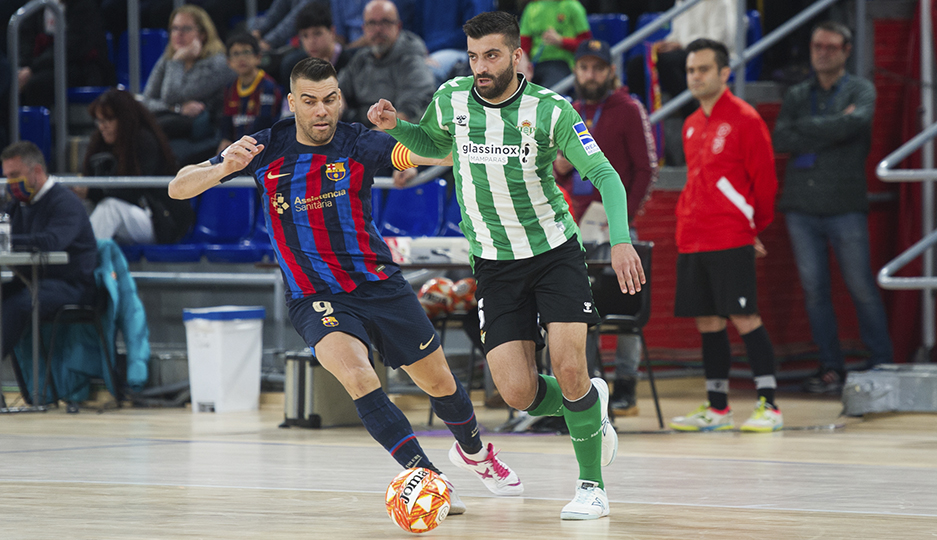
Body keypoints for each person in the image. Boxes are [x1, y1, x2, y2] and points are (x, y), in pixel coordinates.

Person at [168, 57, 523, 515]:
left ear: (340, 99)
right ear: (293, 102)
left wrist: (462, 140)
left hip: (379, 284)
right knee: (359, 377)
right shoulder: (264, 147)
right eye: (311, 102)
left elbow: (425, 154)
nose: (322, 111)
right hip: (314, 295)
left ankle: (475, 453)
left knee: (438, 382)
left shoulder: (356, 142)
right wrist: (219, 168)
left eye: (330, 99)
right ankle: (428, 479)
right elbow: (179, 187)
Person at [369, 11, 645, 520]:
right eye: (474, 56)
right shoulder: (451, 98)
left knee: (568, 365)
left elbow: (606, 175)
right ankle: (588, 406)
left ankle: (591, 486)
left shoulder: (551, 110)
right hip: (495, 265)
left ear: (517, 56)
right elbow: (434, 146)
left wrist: (622, 241)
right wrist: (397, 128)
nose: (481, 66)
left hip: (553, 254)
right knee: (517, 392)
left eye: (492, 55)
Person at [772, 21, 893, 395]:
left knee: (860, 286)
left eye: (830, 46)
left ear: (846, 50)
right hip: (801, 207)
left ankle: (882, 362)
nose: (821, 52)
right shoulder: (798, 93)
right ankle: (830, 366)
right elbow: (780, 137)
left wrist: (812, 130)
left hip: (845, 205)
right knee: (814, 291)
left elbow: (857, 123)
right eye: (816, 46)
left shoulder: (861, 89)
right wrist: (836, 126)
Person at [667, 39, 781, 433]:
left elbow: (765, 185)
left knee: (745, 317)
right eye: (690, 70)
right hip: (693, 238)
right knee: (708, 321)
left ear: (723, 73)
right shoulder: (691, 123)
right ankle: (718, 408)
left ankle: (770, 405)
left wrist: (750, 228)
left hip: (730, 236)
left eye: (703, 69)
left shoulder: (746, 119)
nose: (695, 77)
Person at [554, 39, 658, 416]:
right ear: (576, 72)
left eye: (598, 68)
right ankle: (592, 381)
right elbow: (553, 172)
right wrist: (559, 169)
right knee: (581, 307)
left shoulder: (629, 109)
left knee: (627, 299)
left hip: (616, 228)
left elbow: (647, 168)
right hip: (576, 227)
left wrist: (623, 222)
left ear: (611, 71)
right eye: (584, 67)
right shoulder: (570, 111)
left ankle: (627, 384)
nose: (590, 74)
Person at [1, 141, 98, 381]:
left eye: (15, 175)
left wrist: (8, 240)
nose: (11, 183)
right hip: (31, 281)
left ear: (36, 171)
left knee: (18, 305)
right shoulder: (17, 206)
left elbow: (51, 241)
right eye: (7, 177)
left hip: (72, 286)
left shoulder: (65, 202)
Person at [80, 88, 194, 245]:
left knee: (110, 208)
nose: (102, 127)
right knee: (82, 208)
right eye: (99, 121)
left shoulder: (144, 142)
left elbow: (132, 191)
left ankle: (81, 262)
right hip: (127, 217)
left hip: (157, 219)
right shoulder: (99, 142)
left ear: (124, 119)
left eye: (109, 120)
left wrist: (91, 191)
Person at [141, 5, 236, 165]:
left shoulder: (216, 63)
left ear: (203, 34)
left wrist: (177, 62)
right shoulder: (168, 58)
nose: (179, 34)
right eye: (175, 28)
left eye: (186, 28)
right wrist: (176, 109)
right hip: (173, 128)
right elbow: (147, 102)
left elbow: (171, 95)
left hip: (204, 133)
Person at [337, 0, 435, 127]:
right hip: (362, 131)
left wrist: (369, 140)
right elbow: (337, 90)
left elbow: (407, 115)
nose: (378, 29)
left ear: (398, 27)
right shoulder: (361, 58)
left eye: (385, 22)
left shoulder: (411, 60)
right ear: (364, 29)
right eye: (372, 23)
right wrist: (336, 107)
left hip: (396, 136)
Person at [626, 0, 736, 110]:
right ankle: (642, 115)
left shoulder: (718, 2)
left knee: (667, 62)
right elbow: (677, 33)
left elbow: (717, 39)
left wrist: (681, 44)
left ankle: (692, 111)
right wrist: (666, 43)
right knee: (637, 64)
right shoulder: (681, 1)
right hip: (684, 50)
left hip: (709, 51)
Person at [17, 0, 115, 108]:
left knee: (37, 84)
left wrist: (32, 68)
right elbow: (25, 40)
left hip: (82, 68)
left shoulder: (85, 5)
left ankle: (44, 124)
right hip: (42, 67)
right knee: (11, 82)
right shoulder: (36, 6)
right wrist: (24, 67)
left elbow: (73, 46)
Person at [217, 33, 284, 154]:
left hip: (262, 147)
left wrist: (237, 146)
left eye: (246, 52)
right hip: (237, 147)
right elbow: (227, 120)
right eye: (236, 54)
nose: (241, 58)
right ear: (228, 61)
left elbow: (264, 123)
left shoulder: (268, 87)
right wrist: (225, 140)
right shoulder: (230, 88)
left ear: (258, 57)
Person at [278, 1, 355, 93]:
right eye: (305, 36)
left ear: (332, 32)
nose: (311, 41)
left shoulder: (351, 62)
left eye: (317, 33)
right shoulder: (293, 66)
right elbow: (290, 105)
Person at [518, 0, 591, 89]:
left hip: (563, 63)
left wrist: (561, 41)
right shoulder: (531, 8)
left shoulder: (572, 6)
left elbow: (586, 45)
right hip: (535, 65)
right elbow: (523, 45)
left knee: (547, 91)